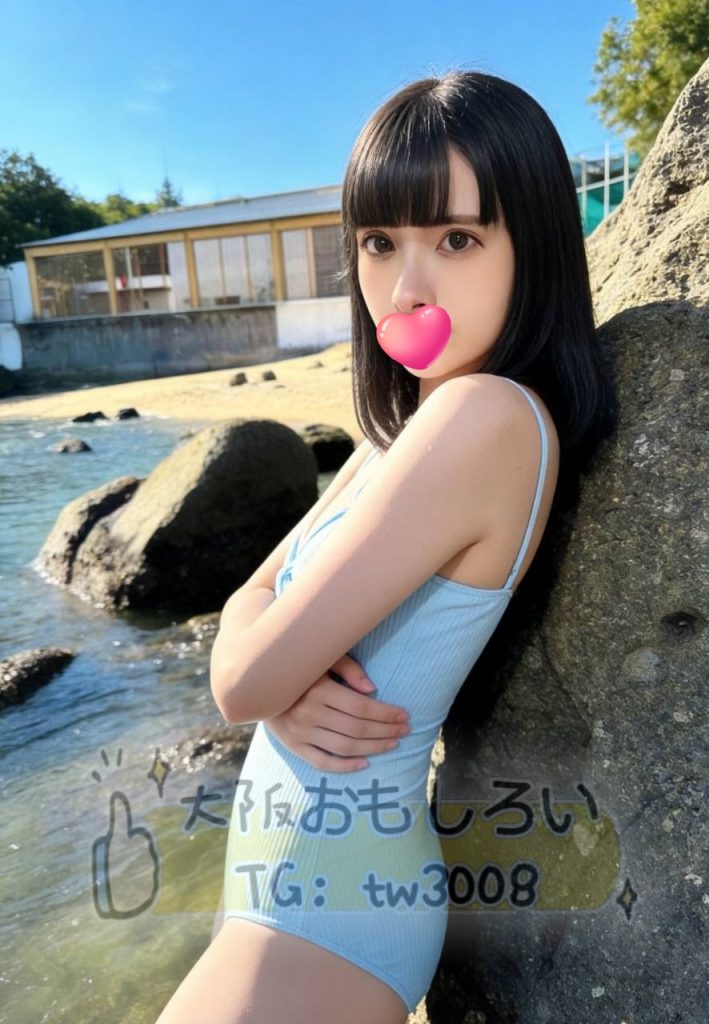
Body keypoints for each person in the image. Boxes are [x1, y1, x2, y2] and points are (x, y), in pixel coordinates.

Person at [155, 68, 616, 1024]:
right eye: (377, 242)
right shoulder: (400, 431)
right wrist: (277, 676)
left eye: (456, 239)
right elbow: (247, 606)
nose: (405, 287)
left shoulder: (483, 417)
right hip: (295, 889)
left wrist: (273, 677)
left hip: (329, 904)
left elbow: (240, 680)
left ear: (532, 246)